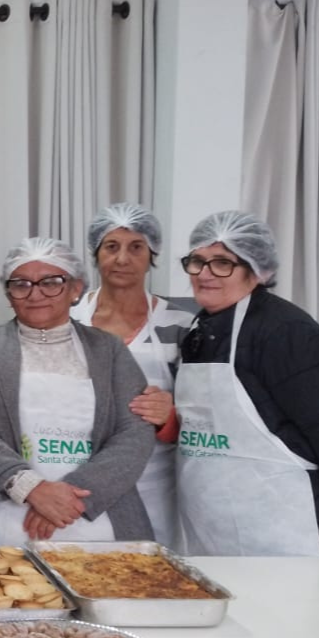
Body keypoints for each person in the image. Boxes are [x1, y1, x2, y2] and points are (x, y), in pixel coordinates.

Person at [175, 211, 319, 556]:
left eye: (222, 263)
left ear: (256, 270)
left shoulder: (287, 334)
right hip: (215, 525)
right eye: (197, 261)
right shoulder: (203, 328)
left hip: (286, 527)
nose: (204, 274)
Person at [0, 237, 156, 546]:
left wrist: (72, 497)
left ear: (75, 289)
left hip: (99, 522)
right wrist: (31, 489)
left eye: (51, 282)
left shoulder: (109, 350)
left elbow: (134, 433)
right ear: (9, 294)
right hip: (3, 525)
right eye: (21, 284)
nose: (36, 294)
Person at [71, 203, 195, 545]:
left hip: (153, 482)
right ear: (96, 254)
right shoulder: (68, 319)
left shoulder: (181, 326)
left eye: (135, 247)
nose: (122, 259)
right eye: (111, 247)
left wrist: (168, 418)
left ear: (152, 254)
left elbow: (201, 413)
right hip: (76, 475)